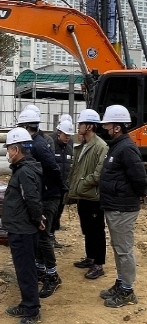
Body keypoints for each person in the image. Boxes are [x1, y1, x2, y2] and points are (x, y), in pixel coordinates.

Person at [98, 105, 147, 307]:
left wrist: (128, 196)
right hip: (116, 206)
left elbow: (140, 179)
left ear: (117, 127)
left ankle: (127, 291)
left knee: (124, 250)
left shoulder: (126, 148)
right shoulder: (117, 146)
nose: (105, 127)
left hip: (123, 208)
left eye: (108, 124)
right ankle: (121, 282)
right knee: (118, 248)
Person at [17, 107, 65, 298]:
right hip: (43, 195)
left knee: (44, 235)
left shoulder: (37, 145)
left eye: (22, 126)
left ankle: (52, 276)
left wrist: (60, 188)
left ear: (28, 126)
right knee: (38, 234)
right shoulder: (33, 143)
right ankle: (41, 269)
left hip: (48, 196)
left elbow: (52, 167)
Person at [2, 127, 45, 324]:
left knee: (26, 270)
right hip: (19, 227)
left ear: (16, 150)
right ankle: (27, 303)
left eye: (9, 148)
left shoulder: (25, 172)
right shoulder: (23, 169)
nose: (7, 152)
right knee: (23, 270)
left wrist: (38, 220)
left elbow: (32, 199)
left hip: (23, 230)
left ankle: (32, 311)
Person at [65, 109, 108, 280]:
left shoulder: (101, 147)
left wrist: (81, 184)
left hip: (94, 197)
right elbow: (75, 170)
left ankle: (99, 264)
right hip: (83, 195)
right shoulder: (82, 146)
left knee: (97, 230)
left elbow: (98, 174)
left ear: (89, 126)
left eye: (81, 124)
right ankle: (90, 257)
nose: (78, 127)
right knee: (87, 229)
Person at [51, 119, 74, 248]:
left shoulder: (69, 149)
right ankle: (47, 237)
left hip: (63, 189)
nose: (67, 138)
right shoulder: (51, 146)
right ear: (59, 132)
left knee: (58, 213)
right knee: (51, 213)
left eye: (69, 135)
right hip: (53, 188)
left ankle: (52, 235)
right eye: (66, 135)